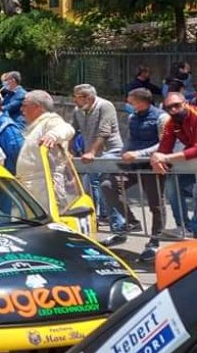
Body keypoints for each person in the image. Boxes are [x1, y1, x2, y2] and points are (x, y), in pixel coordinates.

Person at [100, 88, 168, 257]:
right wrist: (124, 153)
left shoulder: (161, 117)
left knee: (155, 204)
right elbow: (130, 140)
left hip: (152, 166)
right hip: (131, 166)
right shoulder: (133, 117)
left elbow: (164, 144)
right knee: (108, 186)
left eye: (131, 102)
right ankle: (132, 222)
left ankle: (154, 241)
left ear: (142, 101)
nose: (129, 105)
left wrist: (138, 154)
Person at [71, 83, 125, 228]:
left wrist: (92, 152)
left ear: (88, 98)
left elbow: (104, 132)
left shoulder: (105, 106)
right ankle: (99, 218)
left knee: (105, 187)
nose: (74, 101)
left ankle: (118, 225)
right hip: (91, 156)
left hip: (109, 152)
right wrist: (68, 151)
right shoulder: (78, 110)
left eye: (76, 97)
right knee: (91, 185)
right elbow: (72, 131)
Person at [15, 90, 76, 212]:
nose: (22, 109)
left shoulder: (51, 120)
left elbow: (67, 129)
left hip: (45, 186)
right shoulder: (36, 126)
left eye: (25, 105)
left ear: (37, 107)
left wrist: (53, 135)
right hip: (31, 187)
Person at [151, 92, 197, 236]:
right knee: (172, 183)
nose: (173, 110)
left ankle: (194, 229)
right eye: (168, 108)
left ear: (185, 103)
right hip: (191, 161)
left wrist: (166, 158)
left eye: (176, 106)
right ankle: (184, 227)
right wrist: (157, 159)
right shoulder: (171, 122)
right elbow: (164, 147)